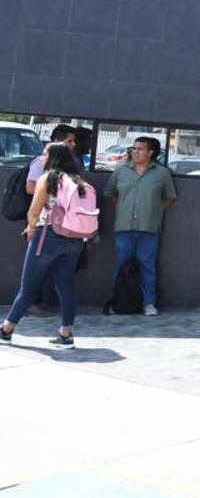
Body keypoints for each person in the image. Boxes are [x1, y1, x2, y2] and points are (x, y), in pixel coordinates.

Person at [1, 142, 91, 347]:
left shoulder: (48, 178)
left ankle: (6, 330)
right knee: (65, 287)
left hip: (48, 236)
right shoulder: (79, 180)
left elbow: (34, 212)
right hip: (75, 238)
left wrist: (31, 228)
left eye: (44, 154)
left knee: (28, 288)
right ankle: (66, 334)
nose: (42, 158)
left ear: (52, 158)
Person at [103, 136, 178, 317]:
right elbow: (111, 193)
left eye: (140, 149)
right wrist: (124, 208)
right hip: (124, 226)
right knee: (122, 266)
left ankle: (148, 303)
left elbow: (169, 197)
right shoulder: (121, 172)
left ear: (150, 152)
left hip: (149, 227)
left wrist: (154, 211)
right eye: (134, 148)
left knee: (147, 266)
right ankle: (117, 302)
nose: (135, 152)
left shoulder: (162, 174)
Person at [24, 124, 78, 315]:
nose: (74, 144)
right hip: (47, 226)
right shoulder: (42, 164)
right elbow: (30, 187)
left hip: (61, 229)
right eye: (70, 141)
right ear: (58, 142)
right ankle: (29, 307)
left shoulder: (68, 170)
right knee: (37, 273)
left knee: (57, 278)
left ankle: (11, 325)